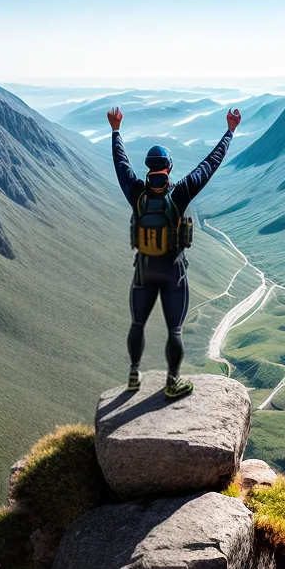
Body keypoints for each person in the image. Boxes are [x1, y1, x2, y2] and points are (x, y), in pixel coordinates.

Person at [108, 105, 242, 399]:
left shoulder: (136, 193)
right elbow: (210, 163)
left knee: (138, 323)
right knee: (175, 330)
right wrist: (230, 131)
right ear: (168, 167)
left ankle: (133, 375)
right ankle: (172, 383)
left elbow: (120, 162)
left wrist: (116, 130)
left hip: (143, 270)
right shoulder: (180, 193)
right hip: (173, 273)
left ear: (148, 167)